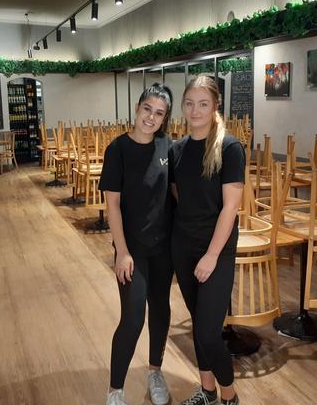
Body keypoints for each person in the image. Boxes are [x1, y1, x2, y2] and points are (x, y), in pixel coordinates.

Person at [169, 76, 245, 405]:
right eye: (189, 103)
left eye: (203, 103)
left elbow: (230, 207)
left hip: (216, 249)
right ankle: (207, 390)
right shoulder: (176, 150)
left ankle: (229, 396)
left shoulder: (230, 147)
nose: (195, 110)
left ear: (215, 106)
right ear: (182, 107)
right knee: (199, 325)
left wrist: (212, 255)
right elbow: (177, 196)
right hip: (182, 247)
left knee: (208, 332)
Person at [100, 83, 175, 405]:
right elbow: (112, 204)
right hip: (132, 251)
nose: (151, 117)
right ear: (137, 108)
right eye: (147, 109)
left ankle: (155, 372)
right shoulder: (117, 149)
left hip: (164, 249)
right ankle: (115, 389)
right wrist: (122, 252)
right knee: (132, 319)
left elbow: (177, 194)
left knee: (160, 311)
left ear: (164, 118)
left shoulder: (168, 148)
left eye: (159, 113)